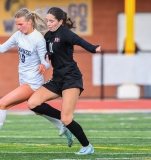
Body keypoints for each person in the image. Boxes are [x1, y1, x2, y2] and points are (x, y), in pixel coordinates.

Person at [0, 8, 74, 148]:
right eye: (17, 25)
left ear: (30, 22)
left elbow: (46, 61)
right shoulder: (18, 35)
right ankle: (65, 126)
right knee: (38, 109)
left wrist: (43, 66)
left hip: (32, 82)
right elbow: (2, 49)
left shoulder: (38, 39)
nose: (18, 27)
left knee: (2, 104)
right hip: (24, 80)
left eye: (21, 24)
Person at [27, 7, 101, 155]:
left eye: (52, 21)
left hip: (71, 79)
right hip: (57, 79)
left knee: (67, 118)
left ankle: (87, 146)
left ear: (60, 21)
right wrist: (47, 54)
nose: (49, 23)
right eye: (47, 20)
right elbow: (49, 50)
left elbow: (80, 41)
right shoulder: (48, 36)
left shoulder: (66, 34)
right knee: (33, 103)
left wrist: (93, 48)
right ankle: (63, 120)